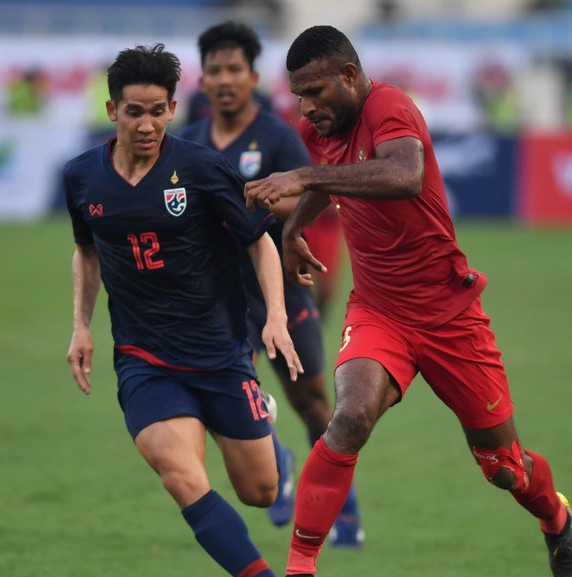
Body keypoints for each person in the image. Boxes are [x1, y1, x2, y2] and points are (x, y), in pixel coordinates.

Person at [244, 26, 572, 577]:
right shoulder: (330, 124)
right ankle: (301, 567)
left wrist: (302, 175)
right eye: (299, 96)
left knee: (504, 468)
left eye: (314, 92)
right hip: (379, 310)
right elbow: (333, 182)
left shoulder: (391, 106)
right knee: (351, 415)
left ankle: (554, 514)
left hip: (450, 316)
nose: (306, 109)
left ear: (349, 76)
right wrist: (293, 230)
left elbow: (404, 174)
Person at [63, 43, 303, 577]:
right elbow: (86, 251)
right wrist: (80, 324)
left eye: (156, 111)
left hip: (220, 353)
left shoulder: (202, 169)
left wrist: (276, 317)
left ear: (173, 109)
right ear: (111, 112)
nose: (146, 125)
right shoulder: (82, 178)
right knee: (181, 474)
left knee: (259, 491)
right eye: (133, 112)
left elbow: (259, 242)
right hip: (144, 358)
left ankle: (276, 453)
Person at [178, 20, 363, 546]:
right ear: (204, 79)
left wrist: (246, 201)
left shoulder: (279, 136)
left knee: (313, 405)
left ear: (252, 75)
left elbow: (312, 197)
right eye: (214, 70)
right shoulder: (187, 143)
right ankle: (276, 464)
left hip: (280, 290)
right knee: (228, 398)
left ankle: (343, 507)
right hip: (217, 301)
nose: (224, 79)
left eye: (234, 69)